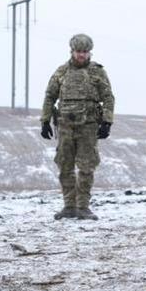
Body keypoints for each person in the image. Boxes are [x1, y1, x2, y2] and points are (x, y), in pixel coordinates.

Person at [40, 33, 114, 220]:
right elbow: (50, 96)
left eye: (85, 52)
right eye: (78, 51)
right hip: (65, 126)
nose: (82, 55)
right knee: (65, 165)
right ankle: (69, 206)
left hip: (88, 127)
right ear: (72, 51)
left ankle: (83, 207)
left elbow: (108, 97)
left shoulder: (97, 72)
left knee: (87, 167)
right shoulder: (62, 72)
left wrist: (107, 121)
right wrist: (45, 121)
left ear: (90, 52)